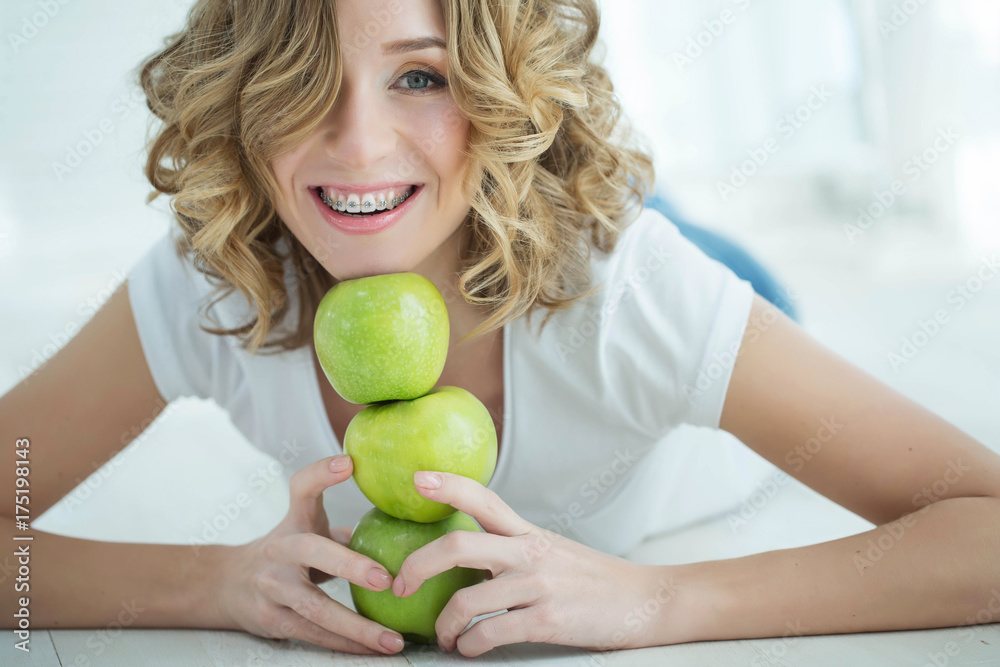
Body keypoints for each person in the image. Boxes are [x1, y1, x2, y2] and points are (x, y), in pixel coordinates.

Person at [3, 0, 1000, 659]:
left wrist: (652, 602)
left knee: (642, 215)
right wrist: (214, 581)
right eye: (301, 79)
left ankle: (597, 174)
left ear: (495, 93)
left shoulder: (635, 296)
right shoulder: (214, 281)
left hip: (625, 250)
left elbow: (983, 524)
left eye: (421, 76)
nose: (354, 141)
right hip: (468, 203)